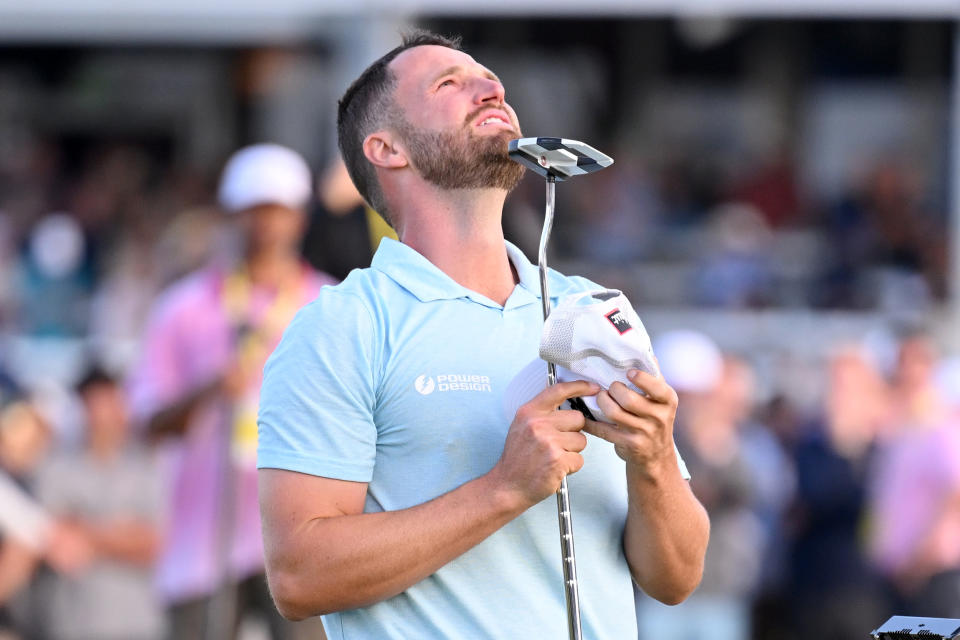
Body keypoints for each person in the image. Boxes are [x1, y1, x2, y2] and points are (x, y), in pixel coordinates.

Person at [257, 31, 709, 639]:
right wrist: (503, 489)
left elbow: (676, 579)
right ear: (387, 148)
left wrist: (653, 460)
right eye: (449, 83)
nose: (491, 87)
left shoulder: (591, 310)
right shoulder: (342, 325)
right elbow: (298, 578)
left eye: (489, 78)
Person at [127, 144, 336, 639]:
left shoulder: (330, 305)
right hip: (204, 539)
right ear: (230, 215)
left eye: (276, 209)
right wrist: (207, 391)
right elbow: (148, 423)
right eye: (252, 210)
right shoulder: (184, 307)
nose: (264, 224)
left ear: (299, 216)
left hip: (303, 533)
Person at [33, 366, 166, 640]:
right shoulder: (56, 466)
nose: (101, 413)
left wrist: (86, 533)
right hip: (71, 624)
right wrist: (122, 533)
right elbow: (55, 542)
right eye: (92, 403)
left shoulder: (145, 465)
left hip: (137, 624)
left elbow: (153, 544)